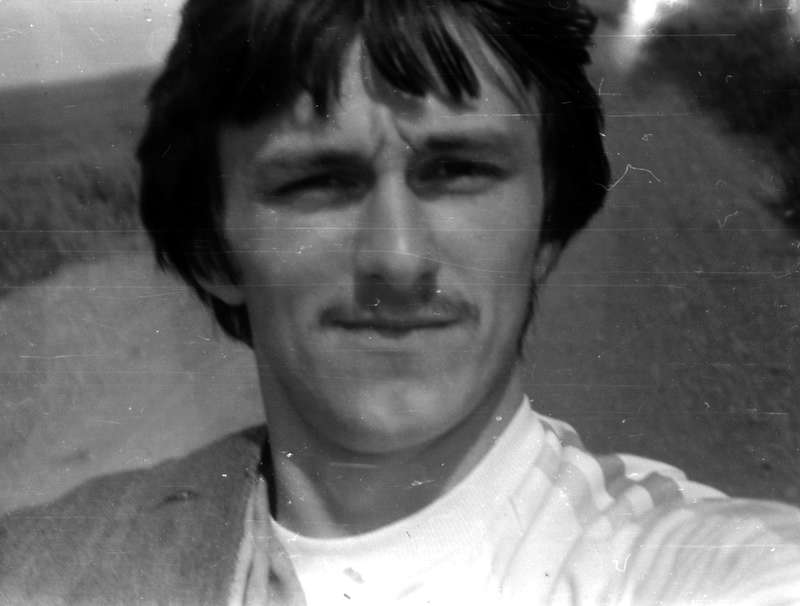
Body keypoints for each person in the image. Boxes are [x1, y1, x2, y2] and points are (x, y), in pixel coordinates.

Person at [2, 1, 800, 604]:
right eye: (318, 182)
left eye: (459, 171)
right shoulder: (42, 568)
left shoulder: (708, 568)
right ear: (214, 250)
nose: (398, 259)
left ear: (546, 229)